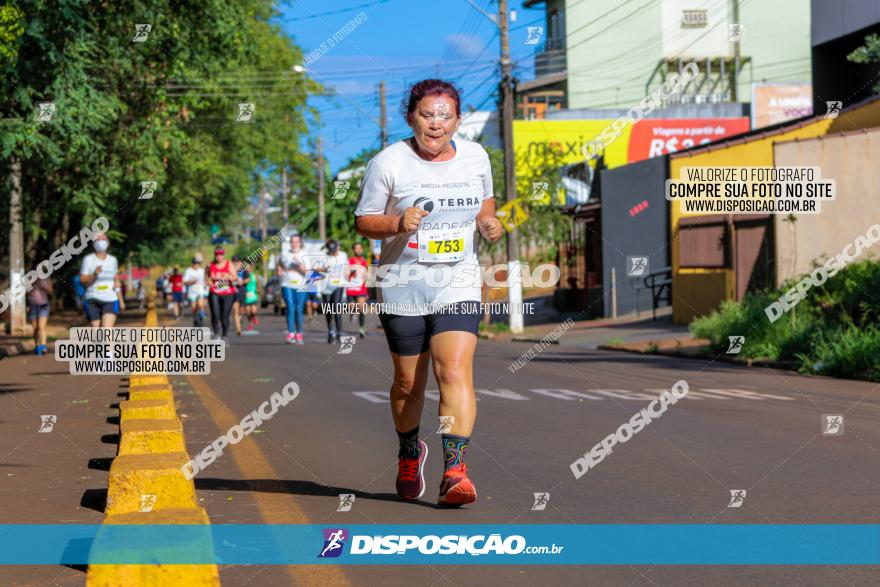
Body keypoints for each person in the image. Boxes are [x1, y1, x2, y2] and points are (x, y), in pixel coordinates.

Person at [354, 79, 503, 507]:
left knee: (454, 371)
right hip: (402, 283)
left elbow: (485, 203)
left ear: (457, 120)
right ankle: (408, 451)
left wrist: (488, 222)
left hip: (457, 279)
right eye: (427, 114)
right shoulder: (388, 163)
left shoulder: (475, 156)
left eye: (446, 116)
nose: (436, 124)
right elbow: (364, 221)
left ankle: (455, 472)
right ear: (410, 116)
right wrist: (397, 223)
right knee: (407, 385)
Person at [80, 233, 126, 327]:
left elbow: (116, 282)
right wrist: (94, 274)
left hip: (110, 298)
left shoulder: (113, 260)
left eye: (103, 239)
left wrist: (121, 301)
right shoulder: (88, 259)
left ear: (108, 242)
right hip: (93, 298)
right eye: (98, 239)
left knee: (107, 333)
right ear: (93, 243)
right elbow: (82, 279)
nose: (101, 241)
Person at [314, 239, 348, 343]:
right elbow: (316, 269)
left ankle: (339, 332)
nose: (333, 252)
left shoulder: (343, 255)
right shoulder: (324, 257)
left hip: (338, 284)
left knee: (337, 307)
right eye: (331, 250)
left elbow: (346, 268)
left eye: (335, 249)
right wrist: (324, 269)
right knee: (328, 310)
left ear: (338, 246)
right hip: (326, 286)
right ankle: (330, 331)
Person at [277, 234, 309, 345]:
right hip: (287, 284)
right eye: (292, 241)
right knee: (290, 308)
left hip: (301, 286)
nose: (294, 244)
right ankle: (291, 333)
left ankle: (299, 333)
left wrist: (299, 264)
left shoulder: (304, 255)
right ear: (290, 243)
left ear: (300, 243)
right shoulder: (284, 254)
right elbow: (280, 263)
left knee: (299, 309)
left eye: (296, 242)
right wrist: (279, 270)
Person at [206, 248, 236, 339]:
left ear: (223, 255)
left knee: (225, 316)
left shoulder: (229, 264)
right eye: (217, 254)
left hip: (228, 293)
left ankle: (225, 335)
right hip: (214, 292)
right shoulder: (210, 264)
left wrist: (225, 278)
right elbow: (206, 275)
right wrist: (209, 281)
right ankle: (216, 333)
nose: (219, 256)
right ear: (215, 255)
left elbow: (235, 277)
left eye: (221, 254)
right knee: (215, 314)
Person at [347, 241, 369, 338]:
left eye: (360, 248)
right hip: (351, 288)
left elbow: (366, 276)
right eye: (356, 248)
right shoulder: (350, 261)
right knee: (351, 307)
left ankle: (361, 328)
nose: (358, 250)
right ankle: (352, 314)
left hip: (361, 288)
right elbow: (345, 273)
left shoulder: (364, 261)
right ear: (354, 250)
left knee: (361, 308)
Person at [28, 274, 52, 355]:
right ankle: (37, 345)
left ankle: (42, 346)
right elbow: (24, 292)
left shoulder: (46, 278)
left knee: (41, 327)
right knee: (35, 329)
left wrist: (42, 287)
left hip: (43, 305)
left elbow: (51, 292)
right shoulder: (29, 278)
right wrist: (32, 285)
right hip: (32, 306)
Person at [183, 257, 207, 327]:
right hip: (192, 291)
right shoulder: (188, 271)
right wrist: (192, 281)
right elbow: (185, 282)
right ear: (193, 264)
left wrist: (206, 283)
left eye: (198, 263)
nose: (197, 265)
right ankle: (195, 318)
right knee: (193, 307)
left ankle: (202, 318)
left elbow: (205, 279)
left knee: (200, 304)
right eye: (195, 263)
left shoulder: (201, 271)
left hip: (200, 290)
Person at [231, 256, 251, 336]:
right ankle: (238, 328)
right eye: (234, 262)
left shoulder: (244, 271)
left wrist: (242, 282)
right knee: (235, 310)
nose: (235, 263)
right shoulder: (230, 271)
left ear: (240, 263)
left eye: (237, 262)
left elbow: (248, 279)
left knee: (241, 310)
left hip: (242, 291)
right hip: (233, 292)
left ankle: (240, 317)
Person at [244, 266, 259, 330]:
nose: (247, 269)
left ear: (251, 268)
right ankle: (250, 324)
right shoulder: (244, 276)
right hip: (247, 295)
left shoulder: (254, 275)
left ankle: (254, 316)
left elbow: (258, 283)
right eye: (246, 268)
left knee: (253, 310)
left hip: (253, 295)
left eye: (249, 268)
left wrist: (258, 289)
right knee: (248, 311)